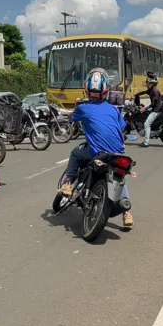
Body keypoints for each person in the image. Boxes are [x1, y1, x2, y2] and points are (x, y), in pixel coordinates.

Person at [57, 68, 134, 226]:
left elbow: (71, 117)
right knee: (120, 179)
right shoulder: (113, 109)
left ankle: (68, 184)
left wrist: (75, 109)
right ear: (106, 91)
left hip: (97, 153)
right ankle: (127, 214)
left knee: (75, 154)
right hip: (118, 154)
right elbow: (122, 127)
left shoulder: (83, 108)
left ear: (86, 89)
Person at [134, 72, 163, 147]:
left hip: (157, 110)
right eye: (147, 83)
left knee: (147, 124)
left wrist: (144, 108)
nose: (146, 84)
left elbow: (153, 103)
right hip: (155, 109)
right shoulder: (150, 90)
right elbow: (143, 92)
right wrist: (136, 94)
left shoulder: (155, 91)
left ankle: (146, 142)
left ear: (152, 84)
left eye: (148, 83)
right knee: (145, 115)